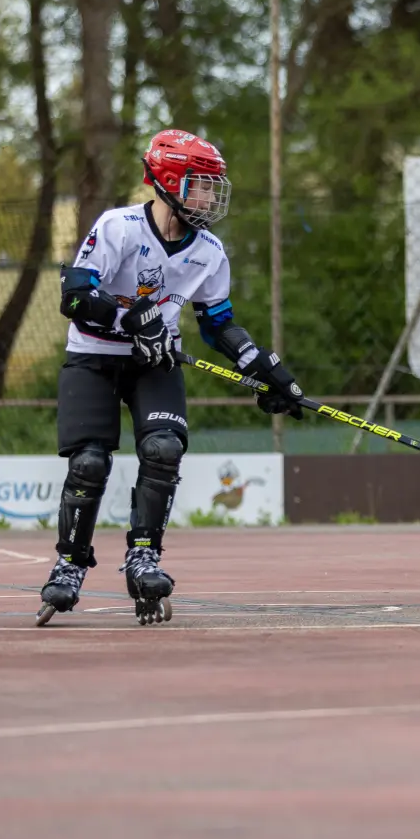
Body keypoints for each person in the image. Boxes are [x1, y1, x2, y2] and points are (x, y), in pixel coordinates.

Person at [37, 129, 305, 626]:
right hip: (94, 357)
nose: (209, 197)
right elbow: (73, 299)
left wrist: (264, 367)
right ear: (168, 181)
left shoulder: (208, 251)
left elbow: (218, 323)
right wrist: (130, 320)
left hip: (155, 363)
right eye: (200, 185)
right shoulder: (118, 228)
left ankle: (144, 557)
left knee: (164, 449)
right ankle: (70, 564)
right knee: (91, 462)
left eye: (211, 186)